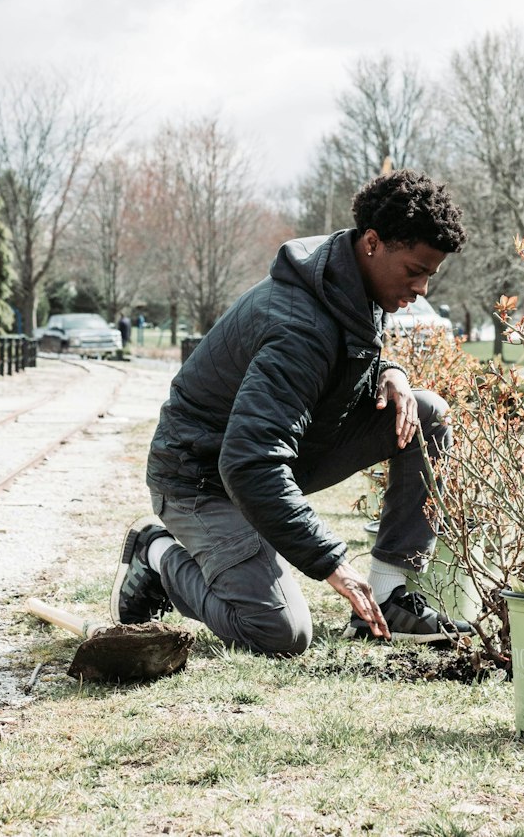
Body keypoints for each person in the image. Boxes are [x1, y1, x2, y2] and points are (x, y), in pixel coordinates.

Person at [110, 169, 468, 655]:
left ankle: (389, 593)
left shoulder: (351, 282)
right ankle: (156, 553)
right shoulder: (299, 326)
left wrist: (392, 372)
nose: (423, 288)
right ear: (372, 242)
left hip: (273, 456)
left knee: (427, 413)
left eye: (431, 274)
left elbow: (341, 362)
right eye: (414, 271)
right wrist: (331, 562)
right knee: (279, 631)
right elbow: (250, 461)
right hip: (200, 477)